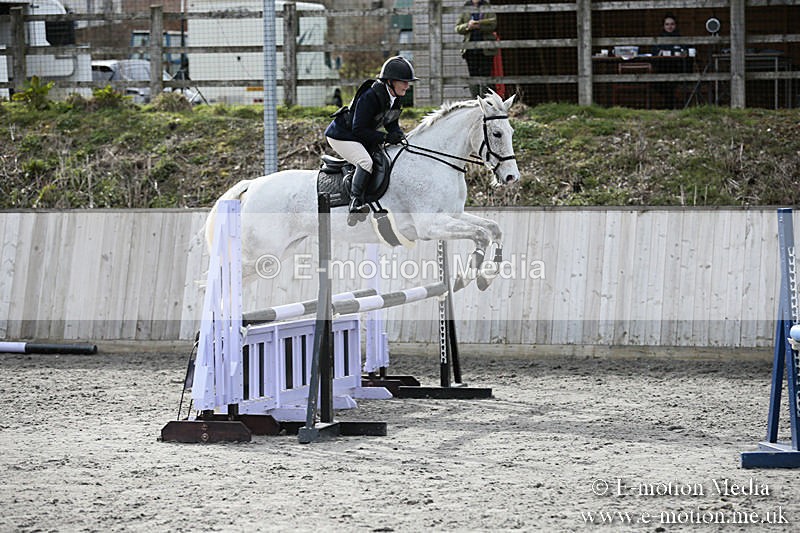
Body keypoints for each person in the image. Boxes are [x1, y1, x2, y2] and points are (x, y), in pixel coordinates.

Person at [325, 56, 417, 223]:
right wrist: (385, 137)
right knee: (366, 162)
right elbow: (358, 129)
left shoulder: (394, 98)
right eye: (403, 81)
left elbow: (391, 123)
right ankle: (355, 203)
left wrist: (398, 135)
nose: (407, 85)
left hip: (358, 135)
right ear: (390, 82)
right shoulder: (370, 96)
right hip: (341, 135)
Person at [455, 0, 497, 97]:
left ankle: (486, 100)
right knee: (473, 75)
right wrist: (468, 26)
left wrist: (479, 25)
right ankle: (476, 100)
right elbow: (458, 28)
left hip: (486, 49)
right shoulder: (465, 7)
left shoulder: (487, 6)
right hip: (470, 49)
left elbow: (493, 24)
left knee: (485, 75)